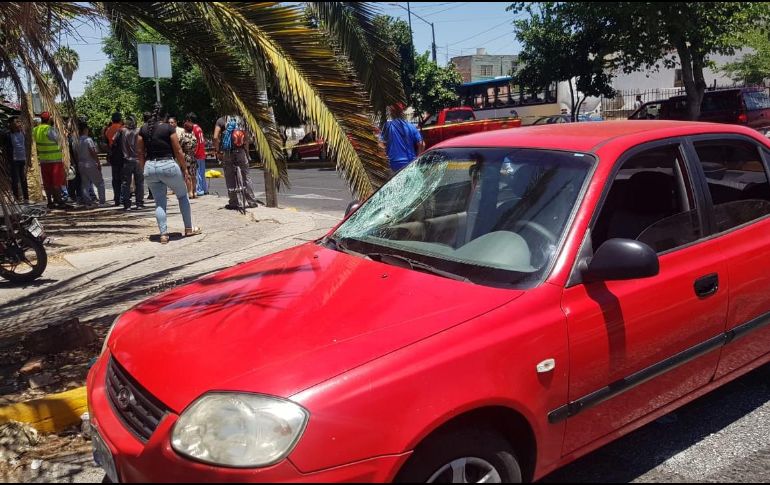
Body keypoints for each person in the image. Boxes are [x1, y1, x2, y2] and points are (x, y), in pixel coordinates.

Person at [137, 103, 201, 244]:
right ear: (164, 117)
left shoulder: (143, 129)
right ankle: (189, 228)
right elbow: (178, 151)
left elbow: (140, 152)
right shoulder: (168, 128)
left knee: (159, 201)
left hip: (150, 167)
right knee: (182, 195)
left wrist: (143, 170)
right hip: (168, 165)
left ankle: (163, 234)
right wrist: (184, 168)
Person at [213, 114, 259, 210]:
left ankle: (233, 202)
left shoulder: (221, 120)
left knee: (229, 176)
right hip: (241, 151)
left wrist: (218, 151)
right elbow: (246, 138)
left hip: (228, 152)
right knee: (246, 175)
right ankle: (252, 201)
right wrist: (246, 152)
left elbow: (215, 137)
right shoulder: (242, 120)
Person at [32, 111, 69, 209]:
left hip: (44, 161)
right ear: (49, 119)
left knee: (47, 182)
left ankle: (50, 202)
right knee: (56, 182)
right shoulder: (50, 129)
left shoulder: (35, 130)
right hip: (54, 160)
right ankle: (60, 202)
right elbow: (60, 141)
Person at [380, 102, 424, 173]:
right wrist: (417, 159)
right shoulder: (411, 127)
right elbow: (422, 144)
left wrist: (383, 161)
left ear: (391, 112)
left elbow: (381, 145)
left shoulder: (388, 126)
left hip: (393, 162)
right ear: (402, 112)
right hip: (410, 161)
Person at [75, 121, 106, 208]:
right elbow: (92, 151)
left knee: (85, 184)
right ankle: (102, 201)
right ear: (85, 129)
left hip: (81, 164)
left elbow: (76, 154)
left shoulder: (77, 141)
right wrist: (98, 162)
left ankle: (88, 202)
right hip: (90, 163)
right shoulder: (88, 140)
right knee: (100, 182)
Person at [119, 115, 144, 210]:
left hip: (127, 160)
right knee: (139, 183)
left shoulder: (123, 131)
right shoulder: (139, 131)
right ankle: (139, 203)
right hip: (138, 159)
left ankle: (127, 204)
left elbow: (113, 141)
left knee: (126, 183)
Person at [5, 116, 29, 204]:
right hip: (14, 160)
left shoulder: (22, 133)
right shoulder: (7, 135)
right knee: (15, 180)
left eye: (19, 122)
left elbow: (25, 145)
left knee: (23, 179)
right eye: (16, 122)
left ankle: (26, 198)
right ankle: (17, 198)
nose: (19, 124)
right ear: (11, 124)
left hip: (22, 159)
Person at [185, 112, 207, 196]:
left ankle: (199, 189)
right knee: (202, 172)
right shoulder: (199, 128)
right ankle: (204, 189)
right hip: (202, 152)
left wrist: (193, 153)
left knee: (197, 173)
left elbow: (194, 142)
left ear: (189, 120)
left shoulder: (193, 129)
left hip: (197, 153)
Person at [105, 112, 124, 206]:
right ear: (120, 119)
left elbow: (106, 143)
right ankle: (122, 197)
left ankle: (116, 197)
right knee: (123, 178)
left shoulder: (108, 130)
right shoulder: (122, 129)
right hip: (122, 155)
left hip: (113, 155)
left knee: (115, 178)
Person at [179, 121, 198, 198]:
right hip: (193, 156)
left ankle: (190, 192)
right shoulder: (194, 137)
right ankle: (194, 192)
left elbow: (180, 147)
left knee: (187, 175)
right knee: (193, 175)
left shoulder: (183, 136)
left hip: (186, 157)